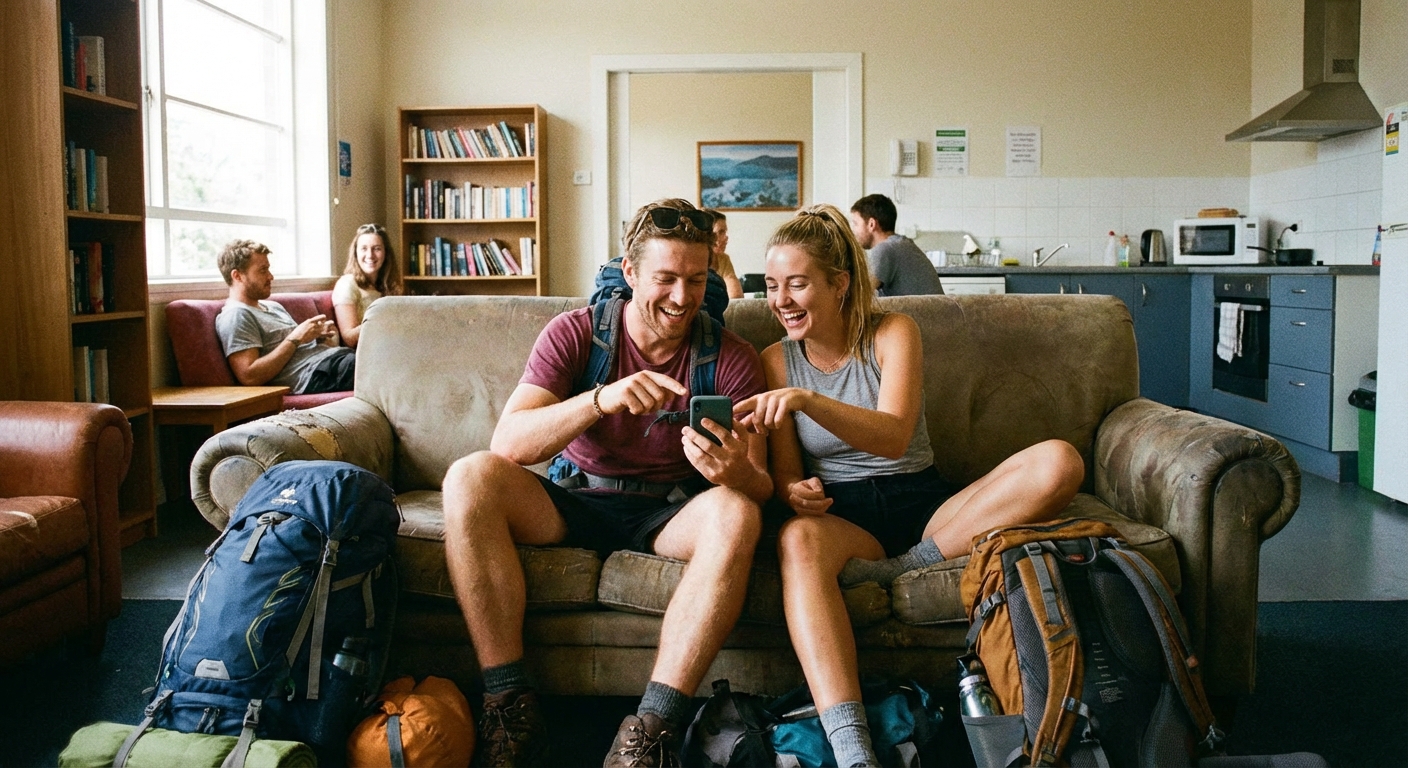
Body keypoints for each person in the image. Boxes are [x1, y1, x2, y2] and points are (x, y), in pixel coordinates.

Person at [735, 204, 1083, 768]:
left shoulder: (893, 332)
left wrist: (809, 401)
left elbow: (894, 436)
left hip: (923, 505)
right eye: (773, 286)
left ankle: (904, 565)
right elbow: (786, 473)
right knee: (796, 539)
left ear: (839, 284)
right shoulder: (776, 360)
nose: (781, 301)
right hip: (843, 514)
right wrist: (794, 490)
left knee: (1059, 462)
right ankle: (853, 750)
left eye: (797, 284)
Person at [441, 198, 772, 768]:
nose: (682, 297)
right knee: (469, 477)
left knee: (737, 511)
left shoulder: (731, 357)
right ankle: (509, 709)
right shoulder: (575, 334)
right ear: (630, 272)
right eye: (665, 278)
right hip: (574, 500)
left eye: (697, 280)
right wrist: (600, 399)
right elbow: (509, 444)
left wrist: (734, 472)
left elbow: (761, 485)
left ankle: (651, 733)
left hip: (669, 512)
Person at [214, 239, 355, 394]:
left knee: (375, 354)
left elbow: (297, 350)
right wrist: (296, 337)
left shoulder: (274, 307)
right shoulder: (236, 315)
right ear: (237, 276)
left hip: (336, 360)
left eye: (268, 269)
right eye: (263, 270)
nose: (270, 276)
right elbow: (249, 376)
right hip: (315, 374)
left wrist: (319, 337)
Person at [848, 194, 944, 297]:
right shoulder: (900, 245)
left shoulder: (885, 249)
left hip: (922, 308)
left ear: (872, 224)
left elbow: (858, 296)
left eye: (855, 224)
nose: (852, 230)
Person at [333, 223, 402, 349]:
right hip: (365, 353)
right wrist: (380, 320)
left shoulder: (389, 285)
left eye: (377, 249)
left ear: (386, 253)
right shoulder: (347, 284)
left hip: (392, 347)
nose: (370, 255)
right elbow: (349, 339)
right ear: (356, 253)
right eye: (364, 249)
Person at [702, 208, 744, 299]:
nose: (726, 237)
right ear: (706, 234)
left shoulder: (723, 259)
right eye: (721, 232)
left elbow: (736, 296)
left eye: (725, 232)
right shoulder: (692, 260)